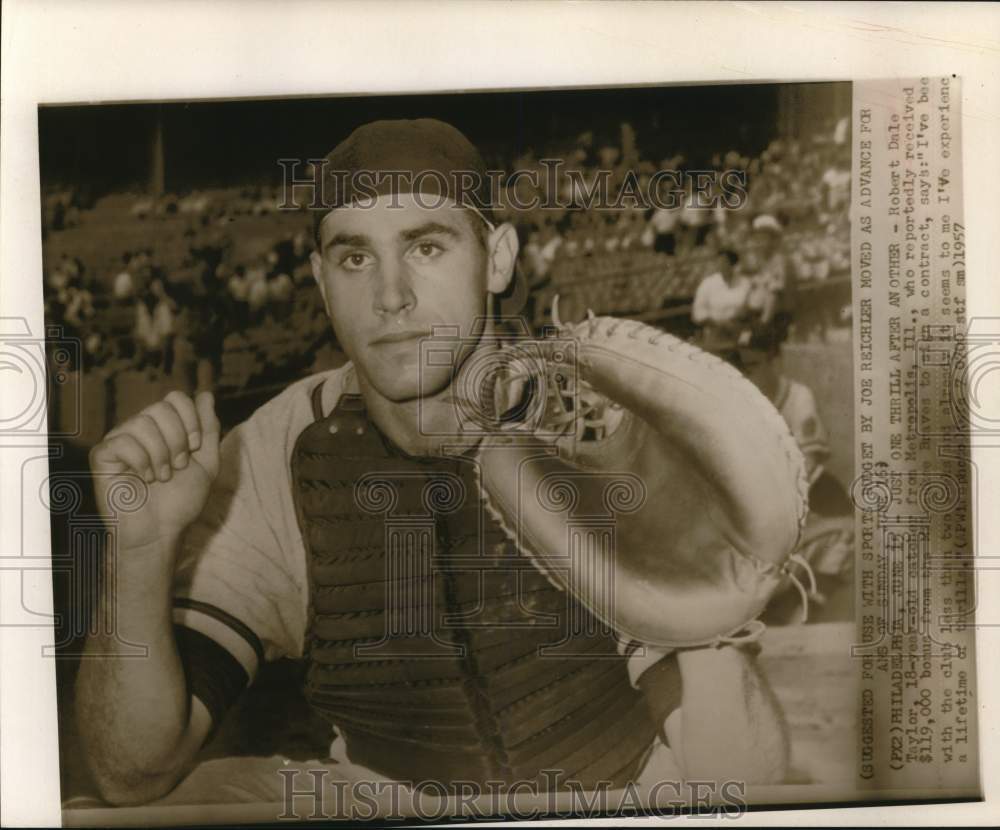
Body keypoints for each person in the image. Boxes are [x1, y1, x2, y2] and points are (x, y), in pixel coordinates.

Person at [79, 119, 789, 808]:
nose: (391, 297)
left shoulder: (590, 422)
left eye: (426, 247)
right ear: (322, 284)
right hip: (376, 798)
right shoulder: (280, 450)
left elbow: (738, 776)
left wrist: (706, 617)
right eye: (356, 258)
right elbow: (131, 774)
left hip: (609, 793)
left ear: (499, 259)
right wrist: (138, 552)